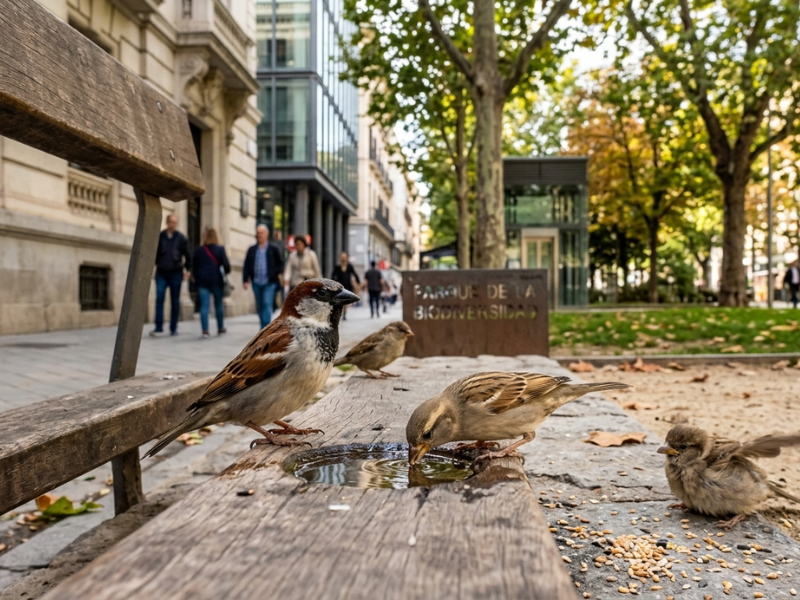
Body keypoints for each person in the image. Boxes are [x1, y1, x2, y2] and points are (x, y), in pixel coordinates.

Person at [151, 214, 191, 336]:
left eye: (175, 222)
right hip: (161, 272)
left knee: (175, 301)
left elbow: (188, 255)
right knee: (159, 299)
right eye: (171, 222)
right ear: (167, 222)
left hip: (176, 273)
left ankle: (173, 328)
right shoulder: (160, 236)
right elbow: (154, 252)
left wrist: (188, 270)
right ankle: (158, 327)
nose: (173, 224)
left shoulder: (181, 238)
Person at [191, 227, 231, 338]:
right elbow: (226, 266)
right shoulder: (220, 249)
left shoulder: (199, 250)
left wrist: (196, 277)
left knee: (204, 306)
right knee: (218, 305)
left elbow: (194, 266)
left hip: (202, 281)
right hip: (216, 280)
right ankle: (220, 328)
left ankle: (205, 331)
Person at [243, 224, 285, 329]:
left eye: (261, 233)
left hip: (269, 282)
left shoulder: (273, 249)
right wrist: (245, 280)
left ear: (267, 234)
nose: (259, 235)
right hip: (256, 282)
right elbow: (247, 265)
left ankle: (265, 329)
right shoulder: (252, 249)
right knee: (260, 306)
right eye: (258, 233)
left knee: (267, 303)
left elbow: (280, 263)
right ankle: (263, 327)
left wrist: (277, 274)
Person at [331, 252, 360, 320]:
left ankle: (344, 313)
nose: (343, 258)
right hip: (339, 286)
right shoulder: (337, 266)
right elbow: (333, 275)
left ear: (347, 258)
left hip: (347, 285)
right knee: (340, 300)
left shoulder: (349, 266)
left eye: (345, 257)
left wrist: (358, 281)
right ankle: (341, 312)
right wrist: (332, 284)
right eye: (342, 257)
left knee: (346, 301)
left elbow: (354, 274)